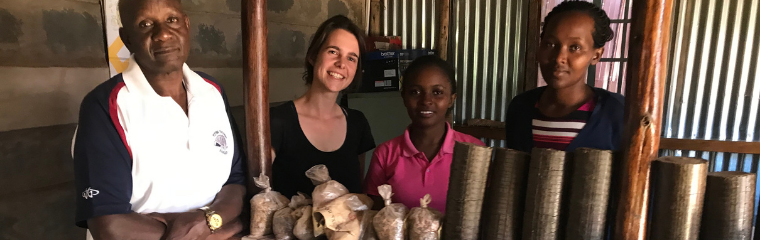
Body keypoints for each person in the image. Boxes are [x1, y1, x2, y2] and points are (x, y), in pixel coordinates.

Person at [72, 0, 245, 239]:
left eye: (172, 20)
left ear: (186, 25)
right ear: (127, 38)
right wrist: (222, 228)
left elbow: (235, 181)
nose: (163, 34)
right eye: (145, 24)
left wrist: (208, 223)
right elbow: (108, 225)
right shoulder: (106, 106)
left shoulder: (212, 91)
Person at [270, 15, 376, 198]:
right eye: (333, 52)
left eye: (351, 58)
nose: (341, 64)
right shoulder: (277, 122)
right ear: (313, 56)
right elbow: (260, 197)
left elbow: (357, 197)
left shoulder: (358, 123)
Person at [363, 55, 485, 213]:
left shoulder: (474, 150)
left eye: (437, 92)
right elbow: (374, 217)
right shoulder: (385, 154)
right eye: (415, 92)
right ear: (404, 97)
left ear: (451, 99)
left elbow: (487, 212)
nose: (426, 100)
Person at [505, 0, 624, 152]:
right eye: (550, 44)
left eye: (575, 47)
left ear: (596, 55)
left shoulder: (616, 112)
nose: (559, 57)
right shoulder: (520, 108)